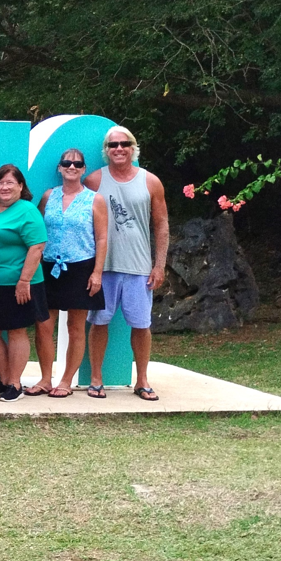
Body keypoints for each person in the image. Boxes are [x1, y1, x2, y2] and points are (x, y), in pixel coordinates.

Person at [85, 126, 170, 401]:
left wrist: (159, 265)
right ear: (106, 151)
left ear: (134, 148)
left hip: (139, 268)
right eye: (113, 145)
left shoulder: (151, 182)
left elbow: (162, 224)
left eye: (124, 144)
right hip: (104, 268)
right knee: (99, 322)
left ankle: (142, 380)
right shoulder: (94, 181)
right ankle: (96, 379)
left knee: (141, 325)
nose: (119, 149)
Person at [31, 148, 107, 398]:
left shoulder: (95, 200)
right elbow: (38, 231)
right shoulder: (48, 196)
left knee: (75, 327)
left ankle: (66, 381)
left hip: (81, 267)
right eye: (66, 163)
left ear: (84, 169)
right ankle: (45, 378)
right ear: (59, 168)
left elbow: (102, 238)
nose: (71, 167)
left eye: (77, 164)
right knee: (43, 326)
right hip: (49, 267)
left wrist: (97, 273)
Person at [0, 165, 48, 403]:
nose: (4, 187)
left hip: (19, 283)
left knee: (16, 330)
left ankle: (15, 382)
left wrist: (24, 280)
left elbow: (37, 246)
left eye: (10, 183)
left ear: (21, 186)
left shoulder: (27, 211)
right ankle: (4, 379)